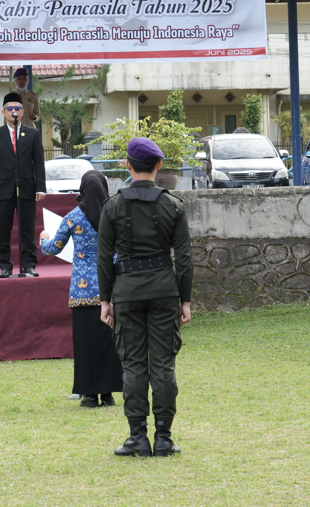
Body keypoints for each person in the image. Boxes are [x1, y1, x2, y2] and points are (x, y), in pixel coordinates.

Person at [96, 137, 193, 457]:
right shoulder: (173, 205)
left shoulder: (112, 206)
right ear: (159, 166)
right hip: (165, 291)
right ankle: (163, 437)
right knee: (164, 365)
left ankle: (138, 436)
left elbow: (104, 257)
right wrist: (185, 300)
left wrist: (105, 300)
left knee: (134, 365)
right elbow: (185, 258)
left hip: (126, 292)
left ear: (127, 165)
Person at [40, 170, 123, 408]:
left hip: (82, 291)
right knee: (110, 341)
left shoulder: (73, 217)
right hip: (111, 287)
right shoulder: (114, 214)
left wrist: (43, 239)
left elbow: (54, 248)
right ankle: (108, 394)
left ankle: (89, 395)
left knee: (86, 343)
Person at [0, 92, 46, 278]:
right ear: (3, 112)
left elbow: (39, 163)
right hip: (3, 189)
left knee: (28, 227)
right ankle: (5, 265)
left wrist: (40, 187)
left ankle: (29, 264)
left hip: (27, 187)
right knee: (3, 229)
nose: (14, 111)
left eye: (17, 108)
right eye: (10, 109)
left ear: (23, 112)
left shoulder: (33, 134)